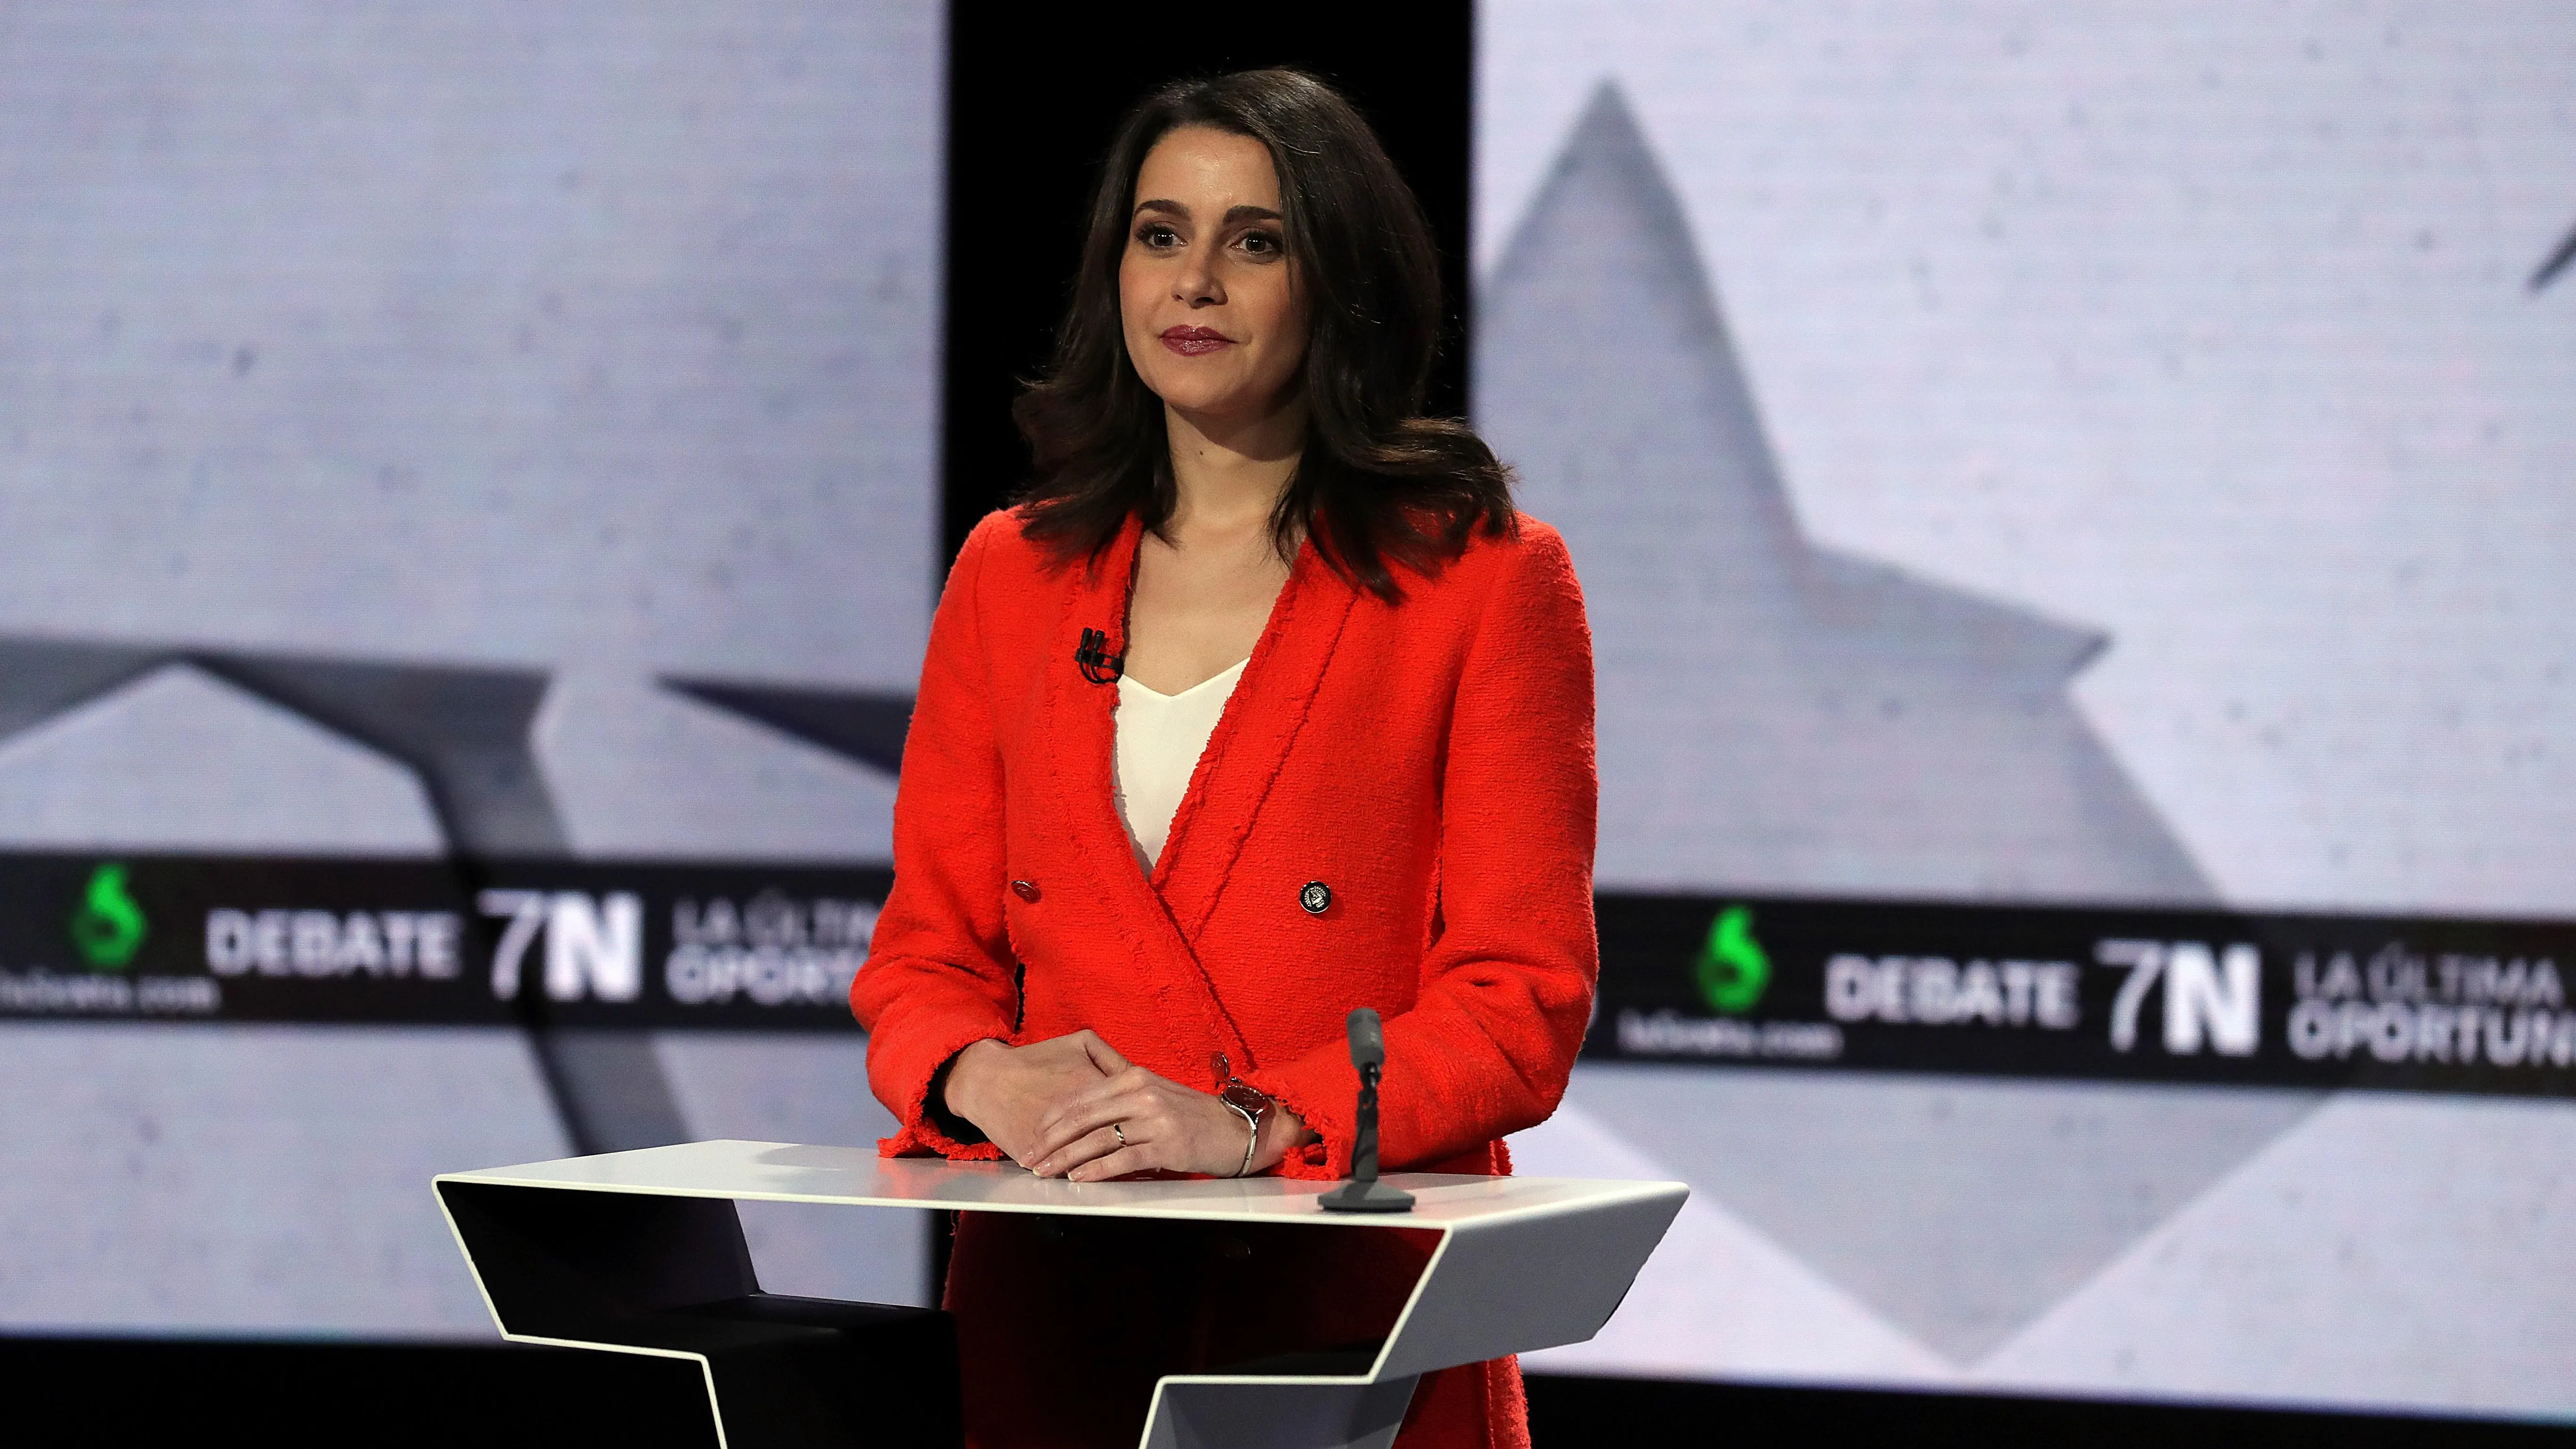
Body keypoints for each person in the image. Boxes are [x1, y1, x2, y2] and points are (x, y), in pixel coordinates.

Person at [852, 68, 1597, 1449]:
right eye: (1159, 234)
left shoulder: (1483, 578)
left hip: (1348, 1313)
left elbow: (1521, 1002)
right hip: (1061, 1299)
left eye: (1254, 240)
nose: (1194, 280)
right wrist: (977, 1075)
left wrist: (1252, 1124)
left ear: (1337, 281)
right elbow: (920, 963)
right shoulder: (1011, 574)